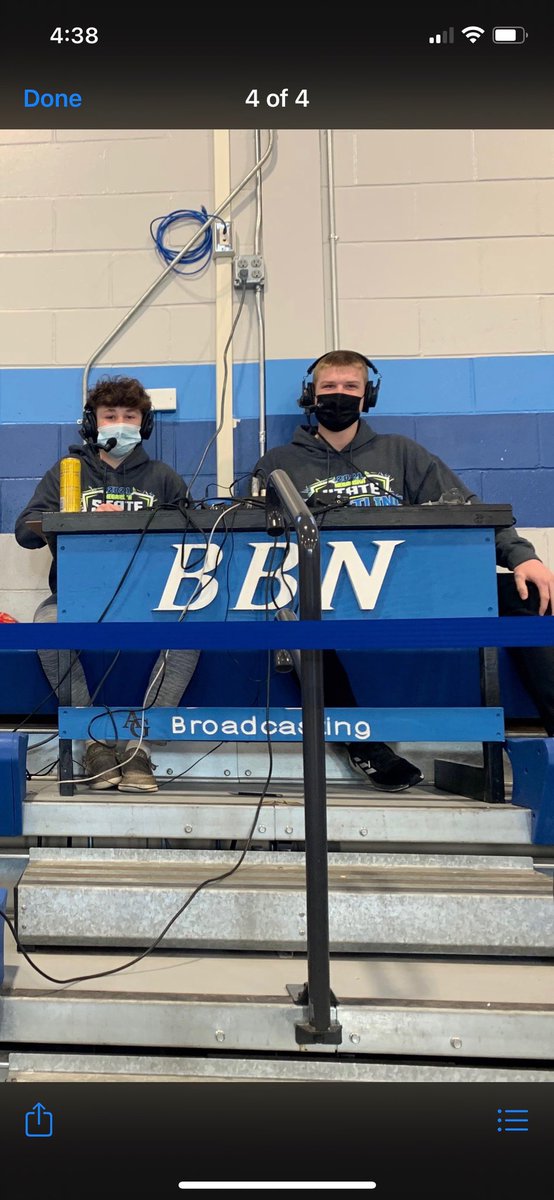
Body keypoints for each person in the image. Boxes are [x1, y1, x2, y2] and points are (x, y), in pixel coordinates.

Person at [252, 349, 554, 791]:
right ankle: (365, 747)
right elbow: (257, 538)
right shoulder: (277, 464)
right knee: (294, 613)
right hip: (325, 590)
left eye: (350, 387)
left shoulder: (403, 453)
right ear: (309, 396)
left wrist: (522, 556)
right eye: (328, 388)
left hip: (409, 585)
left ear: (367, 395)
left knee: (528, 596)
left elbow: (468, 510)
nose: (339, 396)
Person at [15, 375, 199, 794]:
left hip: (153, 599)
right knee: (46, 630)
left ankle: (140, 748)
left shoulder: (163, 477)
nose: (120, 422)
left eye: (129, 416)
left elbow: (196, 537)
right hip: (73, 596)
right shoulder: (67, 472)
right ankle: (95, 742)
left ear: (144, 423)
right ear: (92, 423)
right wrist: (74, 517)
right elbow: (25, 531)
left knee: (193, 631)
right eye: (110, 415)